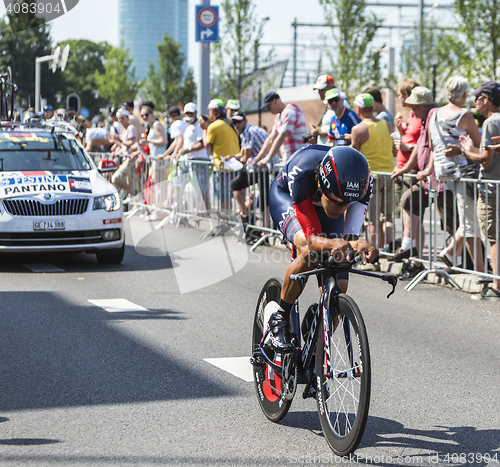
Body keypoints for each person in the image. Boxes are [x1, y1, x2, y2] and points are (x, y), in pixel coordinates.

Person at [265, 145, 378, 353]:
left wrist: (357, 245)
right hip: (288, 198)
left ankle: (316, 350)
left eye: (347, 205)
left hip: (324, 200)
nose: (341, 210)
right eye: (337, 204)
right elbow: (312, 241)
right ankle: (280, 317)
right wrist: (334, 244)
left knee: (340, 279)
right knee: (311, 253)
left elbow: (348, 242)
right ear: (321, 184)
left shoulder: (364, 181)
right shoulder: (304, 171)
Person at [390, 86, 455, 279]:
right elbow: (420, 147)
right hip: (428, 178)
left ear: (423, 105)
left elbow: (435, 148)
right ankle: (410, 250)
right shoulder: (425, 117)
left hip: (443, 177)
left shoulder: (434, 115)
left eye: (415, 106)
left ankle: (460, 261)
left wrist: (428, 169)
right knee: (409, 201)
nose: (413, 110)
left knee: (451, 221)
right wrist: (406, 168)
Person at [427, 76, 484, 274]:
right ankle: (481, 273)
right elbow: (480, 145)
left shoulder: (434, 114)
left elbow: (432, 146)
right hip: (462, 172)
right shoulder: (464, 115)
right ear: (465, 94)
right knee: (471, 223)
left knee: (469, 219)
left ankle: (452, 252)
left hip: (443, 172)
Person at [457, 81, 500, 299]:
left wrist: (466, 151)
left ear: (487, 99)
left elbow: (486, 159)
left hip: (492, 189)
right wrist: (472, 147)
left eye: (478, 98)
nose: (475, 102)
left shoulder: (492, 121)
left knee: (494, 239)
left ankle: (496, 285)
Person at [351, 93, 395, 255]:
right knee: (388, 216)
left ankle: (371, 255)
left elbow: (354, 153)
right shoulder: (387, 125)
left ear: (359, 108)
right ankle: (391, 248)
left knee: (372, 218)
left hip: (372, 177)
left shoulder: (358, 129)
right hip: (390, 174)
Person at [225, 112, 269, 241]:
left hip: (264, 168)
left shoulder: (249, 131)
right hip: (258, 167)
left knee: (263, 200)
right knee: (237, 185)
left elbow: (246, 156)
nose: (236, 125)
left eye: (238, 122)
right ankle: (246, 216)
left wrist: (237, 161)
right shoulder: (245, 132)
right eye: (234, 122)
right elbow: (242, 154)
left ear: (245, 120)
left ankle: (263, 231)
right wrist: (232, 157)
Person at [199, 98, 240, 211]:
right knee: (229, 198)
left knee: (223, 198)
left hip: (221, 166)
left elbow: (207, 144)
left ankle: (225, 222)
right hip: (233, 166)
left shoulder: (213, 126)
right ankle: (228, 219)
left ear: (212, 111)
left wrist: (204, 129)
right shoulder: (229, 123)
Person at [252, 91, 307, 167]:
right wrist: (256, 159)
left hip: (300, 159)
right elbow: (270, 139)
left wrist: (267, 159)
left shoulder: (289, 112)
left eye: (269, 106)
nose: (268, 110)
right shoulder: (279, 116)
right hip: (290, 160)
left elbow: (281, 137)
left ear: (275, 101)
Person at [393, 79, 421, 215]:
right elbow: (411, 138)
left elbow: (425, 145)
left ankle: (411, 237)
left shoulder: (421, 116)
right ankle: (408, 237)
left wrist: (408, 147)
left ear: (406, 94)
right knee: (404, 213)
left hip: (411, 171)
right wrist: (400, 130)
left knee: (411, 213)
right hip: (402, 169)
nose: (398, 98)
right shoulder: (411, 113)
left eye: (399, 95)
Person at [176, 102, 210, 209]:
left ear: (195, 113)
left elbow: (202, 144)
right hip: (188, 160)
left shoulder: (199, 126)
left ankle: (205, 210)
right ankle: (191, 209)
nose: (189, 115)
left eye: (191, 113)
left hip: (198, 160)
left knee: (200, 188)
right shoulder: (188, 126)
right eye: (187, 113)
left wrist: (188, 149)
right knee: (180, 185)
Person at [309, 74, 336, 145]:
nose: (319, 92)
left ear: (332, 87)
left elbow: (343, 130)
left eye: (322, 89)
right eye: (318, 90)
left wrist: (319, 132)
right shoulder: (329, 105)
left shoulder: (340, 104)